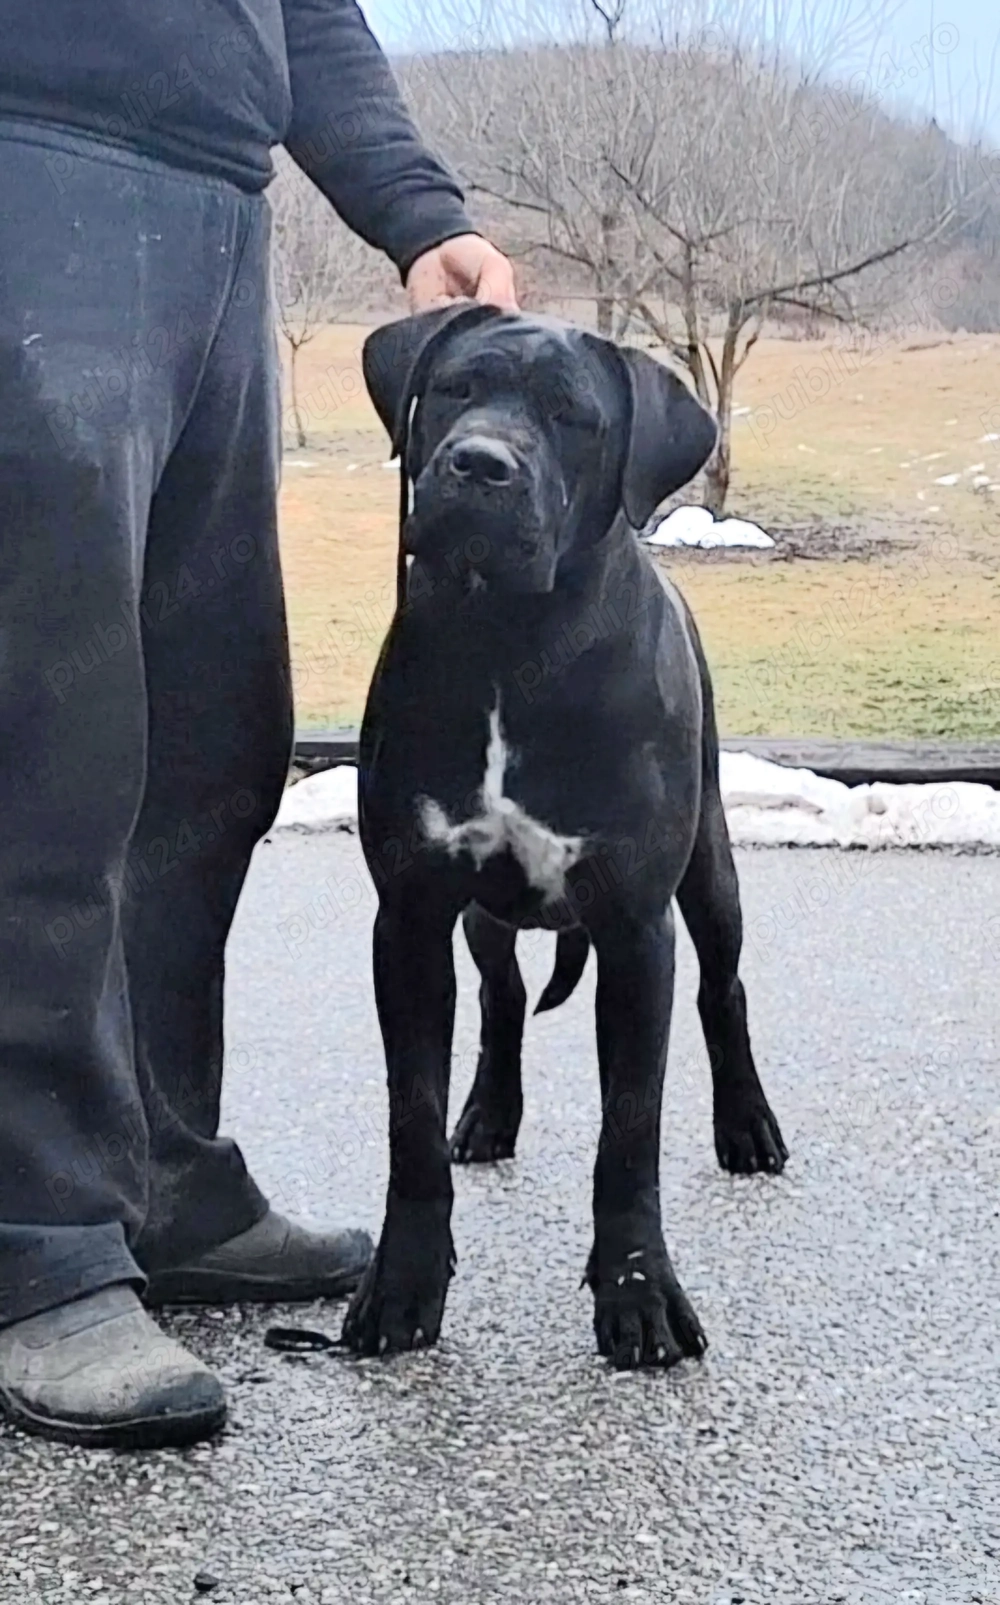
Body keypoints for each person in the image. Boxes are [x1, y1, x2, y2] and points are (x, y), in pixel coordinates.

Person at [0, 0, 517, 1450]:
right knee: (47, 736)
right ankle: (34, 1230)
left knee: (212, 739)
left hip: (219, 213)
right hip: (28, 164)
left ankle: (158, 1174)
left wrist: (415, 209)